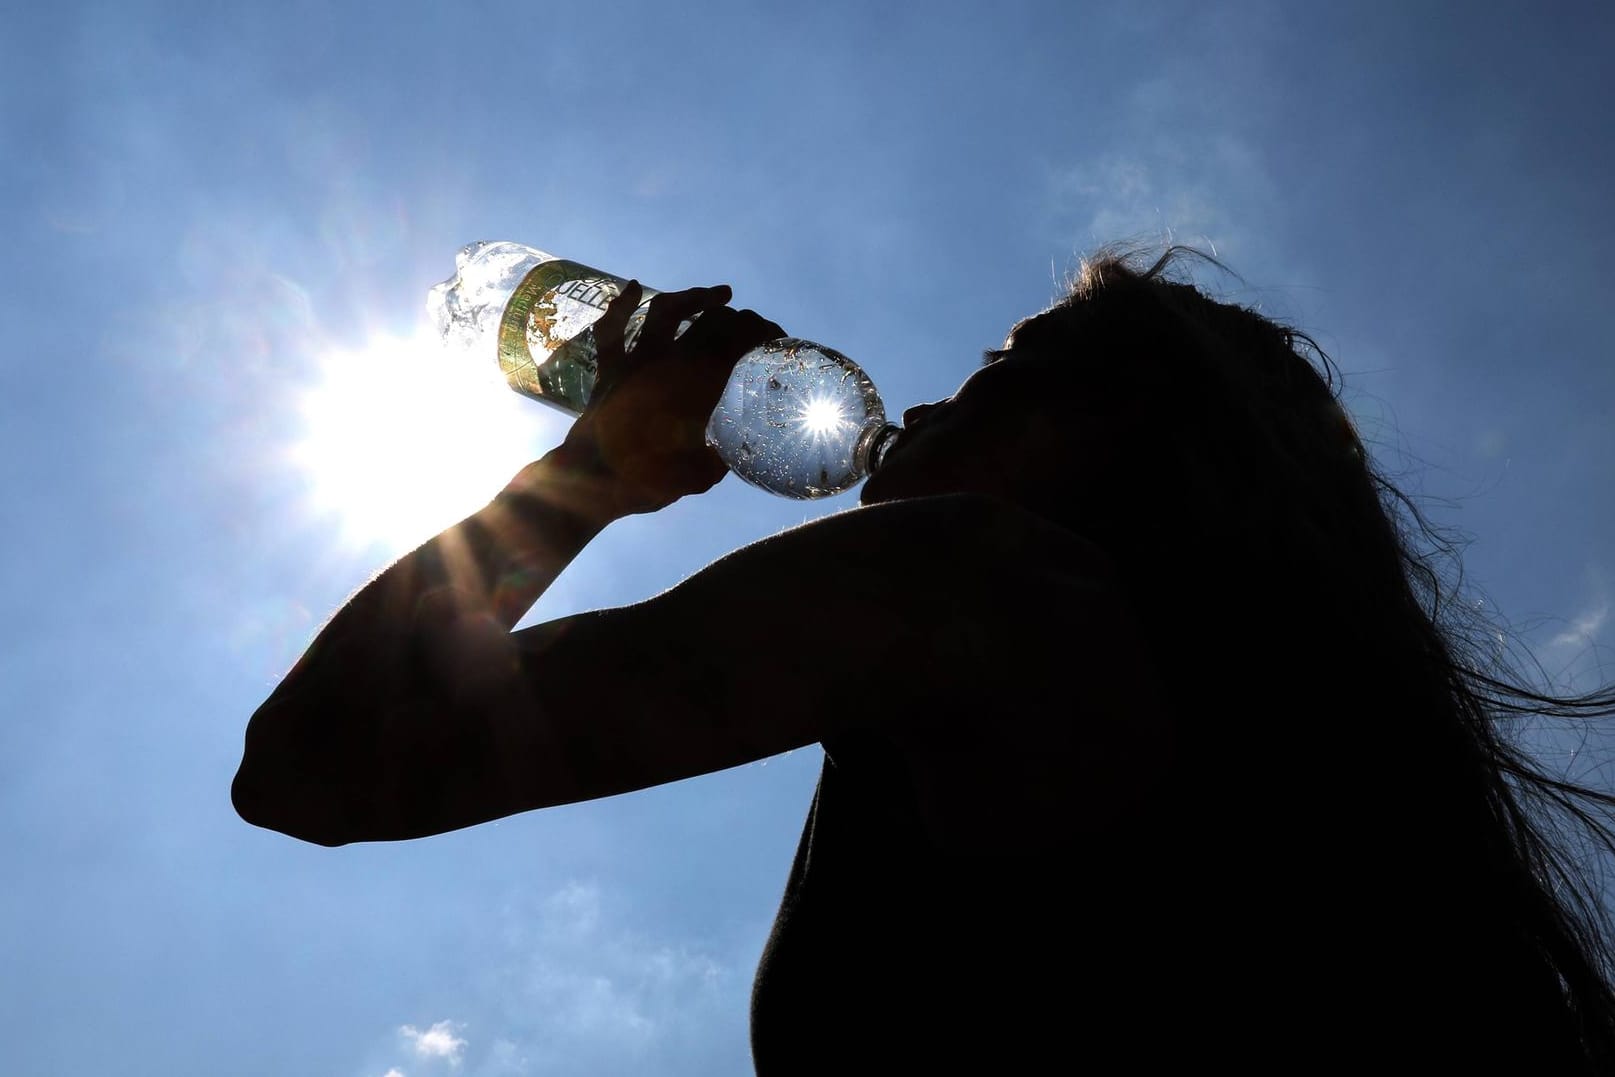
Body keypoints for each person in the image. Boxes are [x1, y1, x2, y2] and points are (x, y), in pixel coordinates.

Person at [233, 247, 1615, 1071]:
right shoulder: (1291, 785)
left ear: (1136, 435)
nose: (943, 395)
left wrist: (593, 470)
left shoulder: (964, 587)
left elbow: (320, 764)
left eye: (1010, 367)